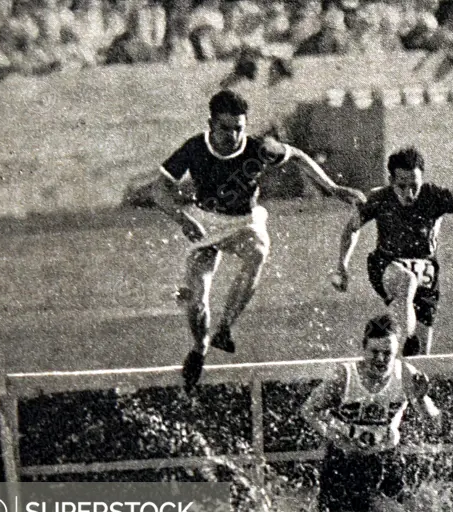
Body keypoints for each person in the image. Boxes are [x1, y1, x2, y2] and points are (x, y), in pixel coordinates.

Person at [127, 89, 366, 390]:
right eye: (225, 128)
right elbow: (159, 189)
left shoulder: (258, 148)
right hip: (205, 222)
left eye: (239, 127)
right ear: (210, 124)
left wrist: (332, 188)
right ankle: (199, 349)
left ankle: (225, 328)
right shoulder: (194, 148)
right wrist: (182, 218)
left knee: (258, 251)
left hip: (244, 222)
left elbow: (298, 156)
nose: (233, 135)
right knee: (196, 301)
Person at [300, 315, 441, 512]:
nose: (379, 359)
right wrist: (336, 437)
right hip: (345, 462)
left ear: (396, 351)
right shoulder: (345, 376)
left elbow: (433, 422)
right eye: (374, 352)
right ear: (363, 348)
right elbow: (309, 410)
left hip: (384, 460)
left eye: (387, 353)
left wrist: (422, 399)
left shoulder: (406, 375)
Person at [332, 147, 453, 356]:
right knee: (405, 281)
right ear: (391, 181)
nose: (409, 194)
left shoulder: (435, 196)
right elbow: (351, 229)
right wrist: (342, 265)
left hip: (425, 273)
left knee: (420, 360)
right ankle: (406, 340)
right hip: (386, 264)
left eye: (414, 186)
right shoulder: (379, 198)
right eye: (402, 186)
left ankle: (406, 355)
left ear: (422, 179)